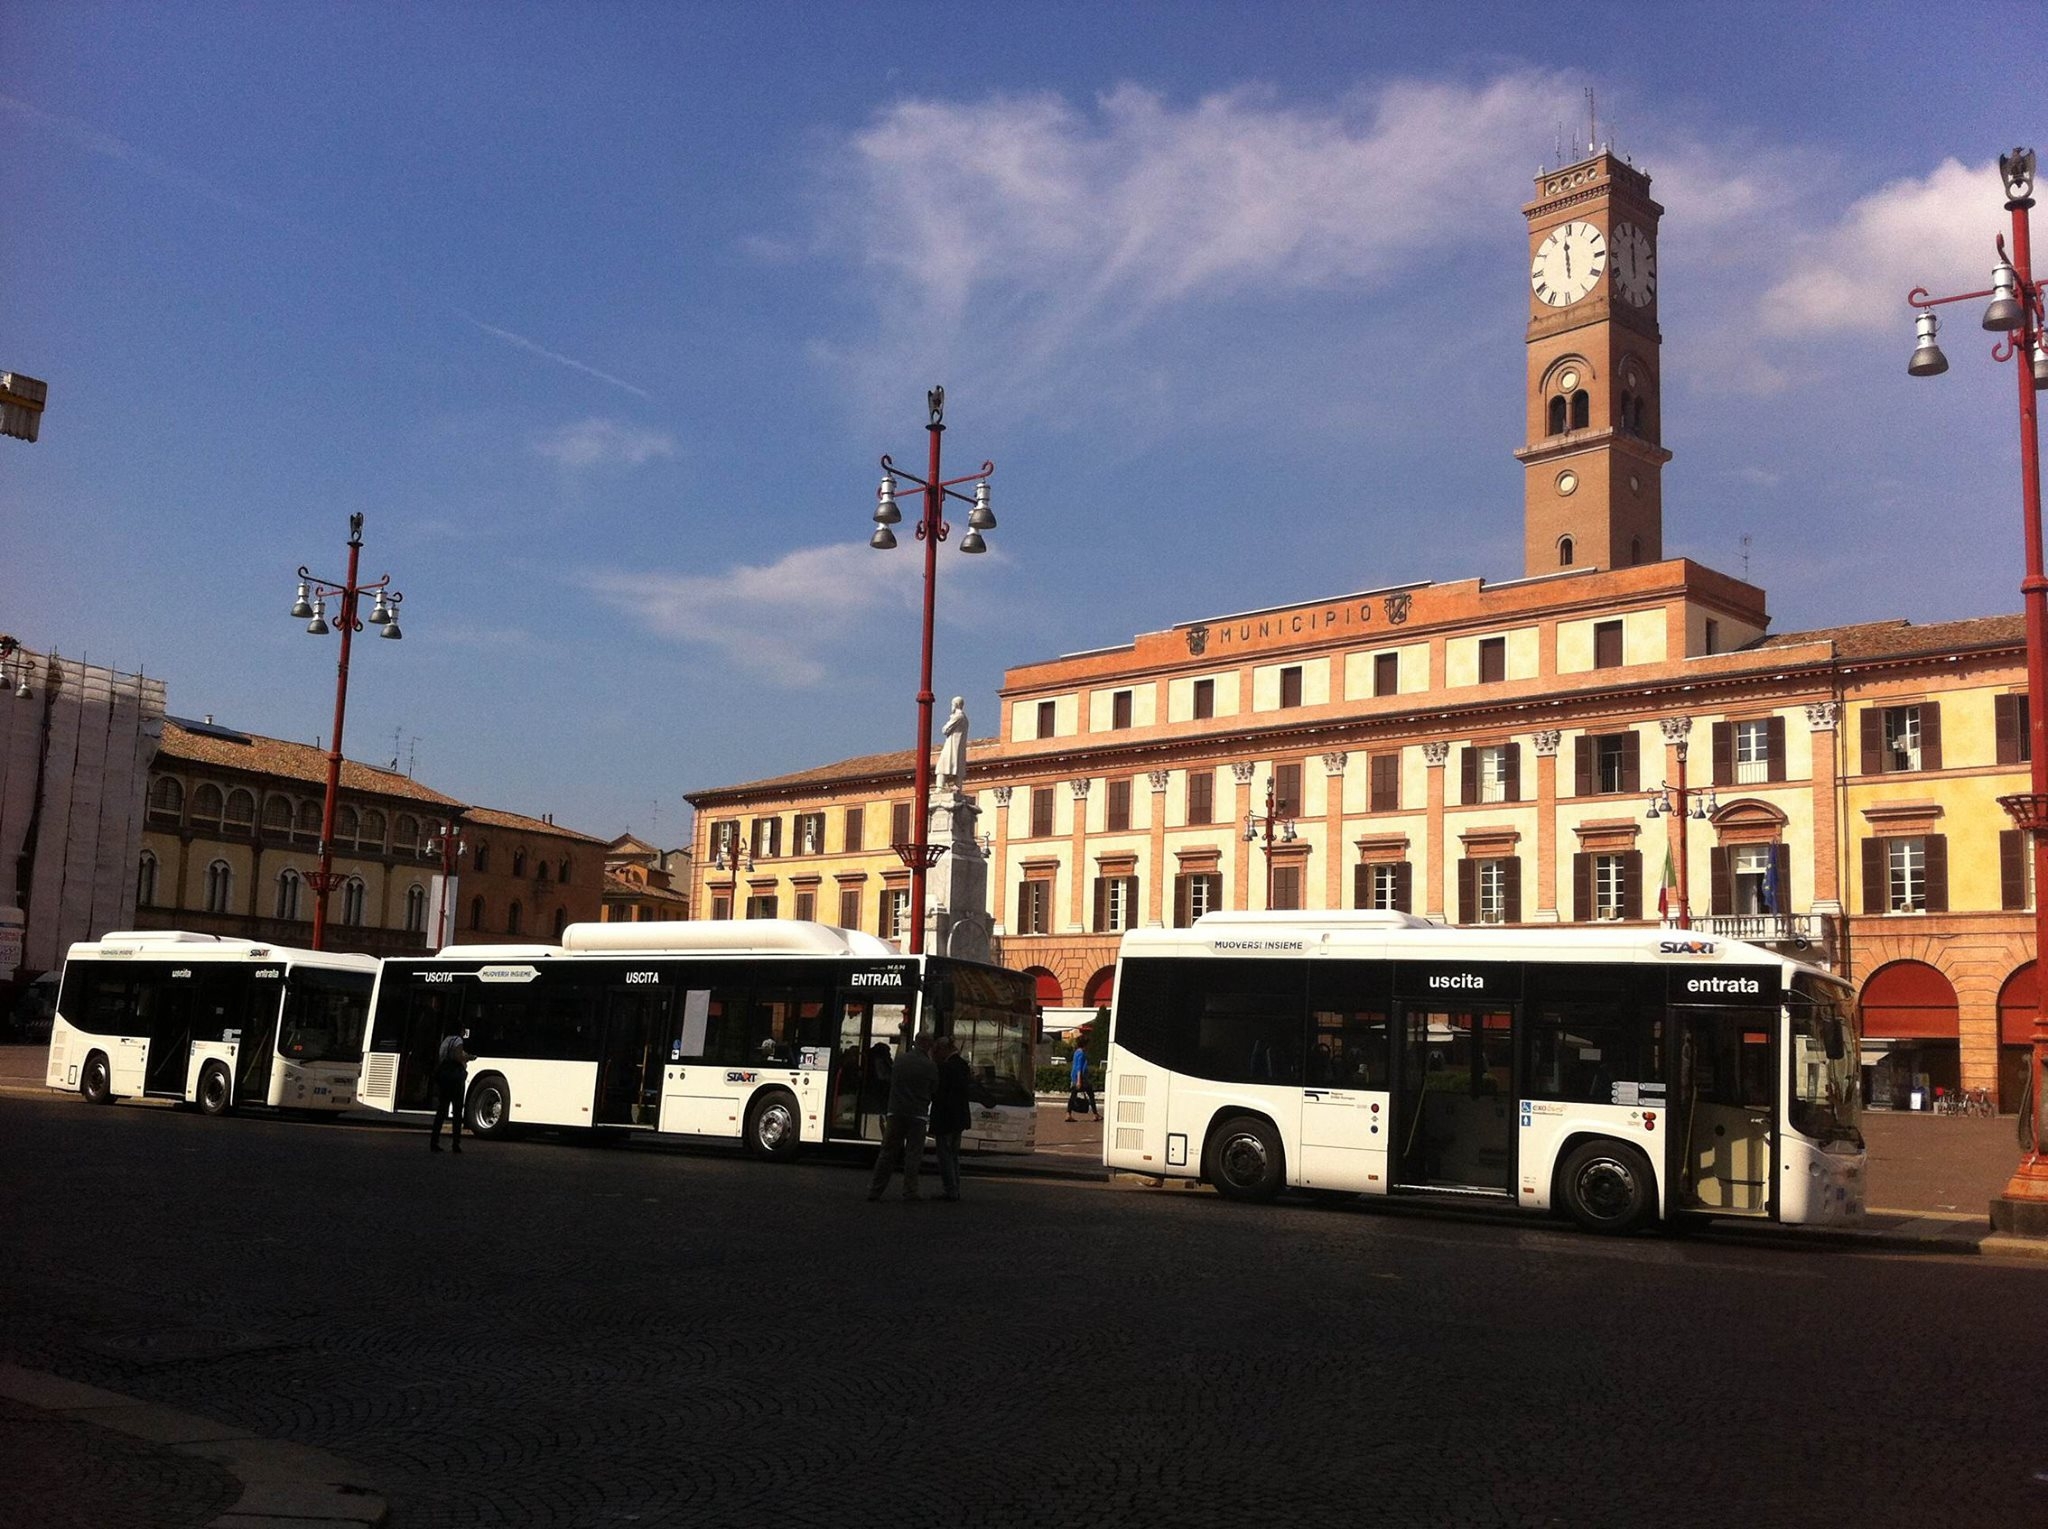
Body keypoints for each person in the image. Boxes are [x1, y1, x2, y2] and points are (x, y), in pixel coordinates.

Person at [867, 1033, 938, 1201]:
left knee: (887, 1153)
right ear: (928, 1045)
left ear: (915, 1042)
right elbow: (934, 1089)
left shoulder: (900, 1060)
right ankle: (910, 1191)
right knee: (913, 1155)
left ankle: (875, 1190)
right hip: (918, 1114)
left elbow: (891, 1080)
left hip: (896, 1111)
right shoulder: (930, 1066)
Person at [929, 1035, 972, 1202]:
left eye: (937, 1050)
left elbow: (939, 1094)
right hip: (959, 1118)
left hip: (945, 1118)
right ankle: (955, 1188)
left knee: (945, 1155)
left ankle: (950, 1189)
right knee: (953, 1155)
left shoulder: (945, 1068)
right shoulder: (962, 1065)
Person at [430, 1027, 472, 1153]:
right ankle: (455, 1143)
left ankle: (434, 1141)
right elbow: (457, 1056)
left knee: (441, 1111)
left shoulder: (445, 1041)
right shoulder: (458, 1040)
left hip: (444, 1078)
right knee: (457, 1112)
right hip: (455, 1080)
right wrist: (467, 1057)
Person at [1067, 1043, 1101, 1123]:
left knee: (1073, 1095)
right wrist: (1079, 1080)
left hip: (1075, 1076)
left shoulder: (1076, 1052)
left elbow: (1074, 1066)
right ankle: (1095, 1114)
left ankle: (1068, 1114)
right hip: (1081, 1078)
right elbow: (1079, 1067)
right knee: (1091, 1095)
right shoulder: (1081, 1054)